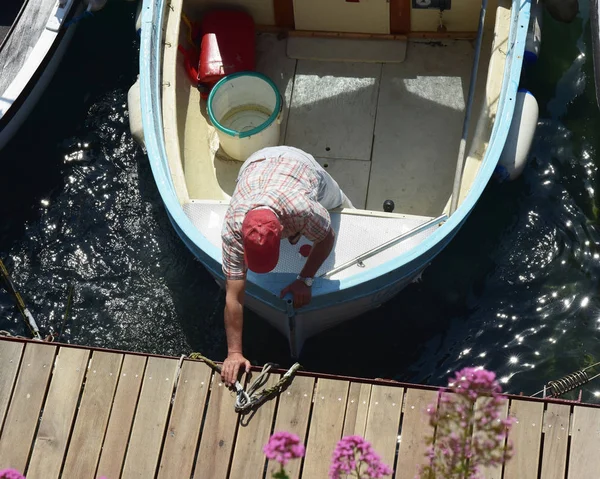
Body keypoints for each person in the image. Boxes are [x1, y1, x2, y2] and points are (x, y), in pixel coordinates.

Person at [219, 146, 353, 385]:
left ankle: (345, 202)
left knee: (338, 203)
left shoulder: (303, 209)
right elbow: (234, 295)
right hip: (254, 164)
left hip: (300, 165)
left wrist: (305, 280)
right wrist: (234, 353)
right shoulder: (232, 227)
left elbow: (327, 237)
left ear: (281, 229)